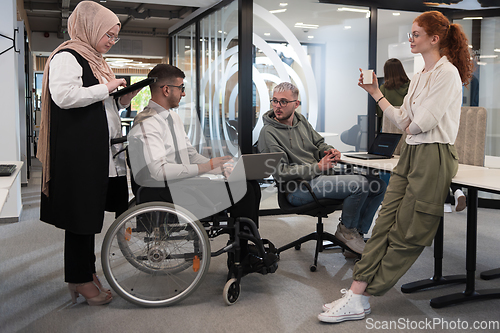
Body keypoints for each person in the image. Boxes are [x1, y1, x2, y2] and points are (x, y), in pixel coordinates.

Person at [318, 11, 473, 323]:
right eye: (411, 34)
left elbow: (418, 124)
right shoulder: (419, 78)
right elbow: (405, 122)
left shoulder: (447, 74)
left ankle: (361, 292)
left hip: (434, 155)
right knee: (384, 224)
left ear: (435, 38)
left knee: (408, 232)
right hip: (412, 153)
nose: (410, 39)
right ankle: (357, 292)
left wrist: (409, 122)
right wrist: (375, 92)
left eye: (416, 34)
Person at [38, 1, 140, 306]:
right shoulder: (68, 56)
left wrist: (120, 99)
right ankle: (79, 279)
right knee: (81, 219)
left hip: (97, 152)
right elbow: (65, 96)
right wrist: (107, 89)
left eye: (114, 37)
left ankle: (85, 272)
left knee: (89, 215)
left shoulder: (94, 59)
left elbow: (99, 106)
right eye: (108, 35)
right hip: (80, 154)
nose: (111, 41)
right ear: (90, 28)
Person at [127, 63, 261, 234]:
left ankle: (245, 248)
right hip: (168, 190)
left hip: (183, 184)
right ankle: (243, 254)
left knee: (251, 184)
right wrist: (205, 168)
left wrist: (215, 166)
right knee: (245, 190)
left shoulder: (173, 118)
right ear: (166, 90)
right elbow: (158, 171)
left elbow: (190, 155)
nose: (183, 93)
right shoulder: (147, 123)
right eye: (181, 87)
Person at [258, 82, 387, 255]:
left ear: (296, 104)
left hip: (320, 178)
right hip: (297, 188)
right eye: (274, 101)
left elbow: (318, 143)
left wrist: (328, 150)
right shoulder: (268, 133)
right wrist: (318, 167)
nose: (277, 106)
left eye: (283, 102)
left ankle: (357, 234)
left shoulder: (300, 120)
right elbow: (281, 173)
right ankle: (346, 232)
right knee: (359, 184)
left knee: (378, 185)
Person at [376, 58, 410, 132]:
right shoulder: (411, 85)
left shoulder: (384, 88)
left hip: (389, 126)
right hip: (406, 126)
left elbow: (379, 112)